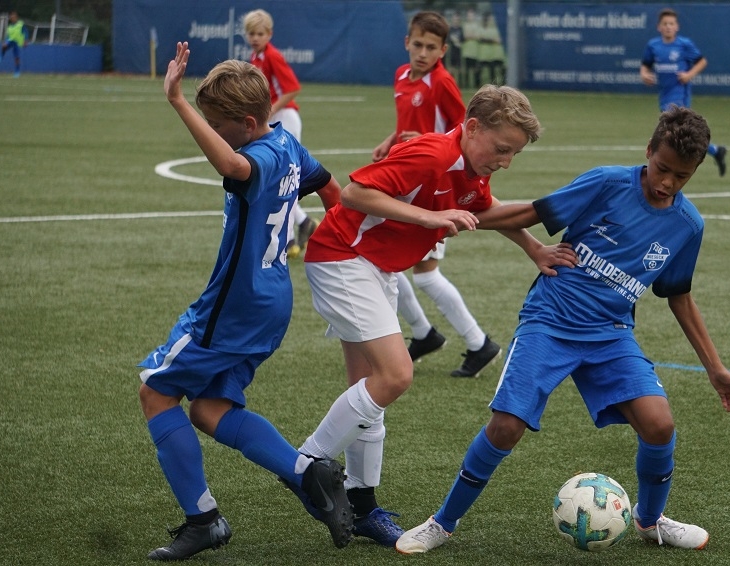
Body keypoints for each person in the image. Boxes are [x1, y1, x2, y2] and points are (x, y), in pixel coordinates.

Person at [395, 106, 730, 554]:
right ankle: (442, 523)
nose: (666, 183)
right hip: (550, 320)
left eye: (681, 176)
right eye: (662, 169)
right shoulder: (607, 182)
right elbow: (531, 213)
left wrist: (715, 367)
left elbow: (679, 296)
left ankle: (650, 520)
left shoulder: (687, 225)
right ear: (648, 151)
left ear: (695, 170)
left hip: (611, 333)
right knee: (505, 427)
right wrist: (449, 218)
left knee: (659, 425)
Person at [295, 84, 578, 548]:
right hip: (342, 257)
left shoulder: (470, 168)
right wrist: (428, 217)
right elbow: (354, 194)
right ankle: (304, 467)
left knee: (369, 389)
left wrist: (534, 248)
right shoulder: (432, 153)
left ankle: (361, 505)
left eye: (514, 154)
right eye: (502, 149)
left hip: (377, 266)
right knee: (395, 375)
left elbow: (484, 209)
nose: (506, 161)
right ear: (472, 128)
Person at [138, 42, 349, 560]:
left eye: (217, 123)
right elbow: (331, 189)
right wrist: (342, 246)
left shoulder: (260, 155)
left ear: (249, 123)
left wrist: (178, 101)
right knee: (210, 410)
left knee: (155, 392)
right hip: (272, 299)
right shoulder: (288, 144)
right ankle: (308, 474)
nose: (211, 130)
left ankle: (204, 520)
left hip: (234, 306)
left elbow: (233, 164)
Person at [372, 10, 501, 378]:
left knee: (423, 275)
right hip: (408, 180)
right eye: (418, 45)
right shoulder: (402, 75)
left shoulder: (442, 82)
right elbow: (407, 124)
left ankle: (478, 343)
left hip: (437, 187)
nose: (423, 53)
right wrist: (391, 140)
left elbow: (467, 129)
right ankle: (424, 334)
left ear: (443, 50)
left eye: (431, 47)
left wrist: (427, 140)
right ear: (407, 43)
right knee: (384, 261)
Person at [243, 8, 316, 258]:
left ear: (270, 34)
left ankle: (291, 237)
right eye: (251, 33)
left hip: (285, 117)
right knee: (276, 179)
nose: (255, 38)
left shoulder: (273, 56)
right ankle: (303, 225)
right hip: (272, 118)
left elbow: (293, 88)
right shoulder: (255, 57)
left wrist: (270, 110)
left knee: (285, 177)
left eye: (260, 33)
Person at [640, 7, 727, 177]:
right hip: (664, 94)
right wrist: (644, 74)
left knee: (670, 129)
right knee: (679, 131)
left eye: (671, 23)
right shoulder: (653, 45)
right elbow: (645, 65)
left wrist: (689, 75)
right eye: (665, 24)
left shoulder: (684, 44)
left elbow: (702, 61)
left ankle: (664, 164)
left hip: (680, 94)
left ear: (677, 26)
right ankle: (715, 151)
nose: (668, 26)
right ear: (659, 27)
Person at [0, 11, 26, 77]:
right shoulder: (9, 27)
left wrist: (25, 40)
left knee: (17, 58)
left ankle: (17, 72)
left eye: (14, 17)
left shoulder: (20, 24)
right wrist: (6, 41)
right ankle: (1, 56)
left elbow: (25, 32)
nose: (13, 18)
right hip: (10, 40)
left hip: (17, 42)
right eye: (11, 17)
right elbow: (8, 36)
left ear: (16, 17)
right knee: (4, 45)